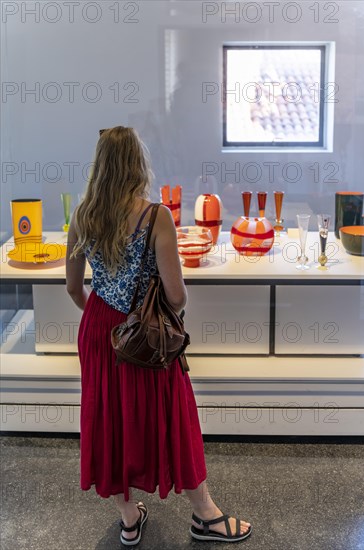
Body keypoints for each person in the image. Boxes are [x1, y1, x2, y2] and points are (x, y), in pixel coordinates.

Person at [66, 126, 252, 546]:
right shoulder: (155, 216)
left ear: (99, 166)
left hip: (97, 330)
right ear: (137, 164)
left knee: (106, 418)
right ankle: (205, 515)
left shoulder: (81, 216)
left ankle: (129, 518)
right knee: (174, 414)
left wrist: (104, 323)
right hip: (145, 337)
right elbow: (177, 295)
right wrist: (138, 323)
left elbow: (73, 288)